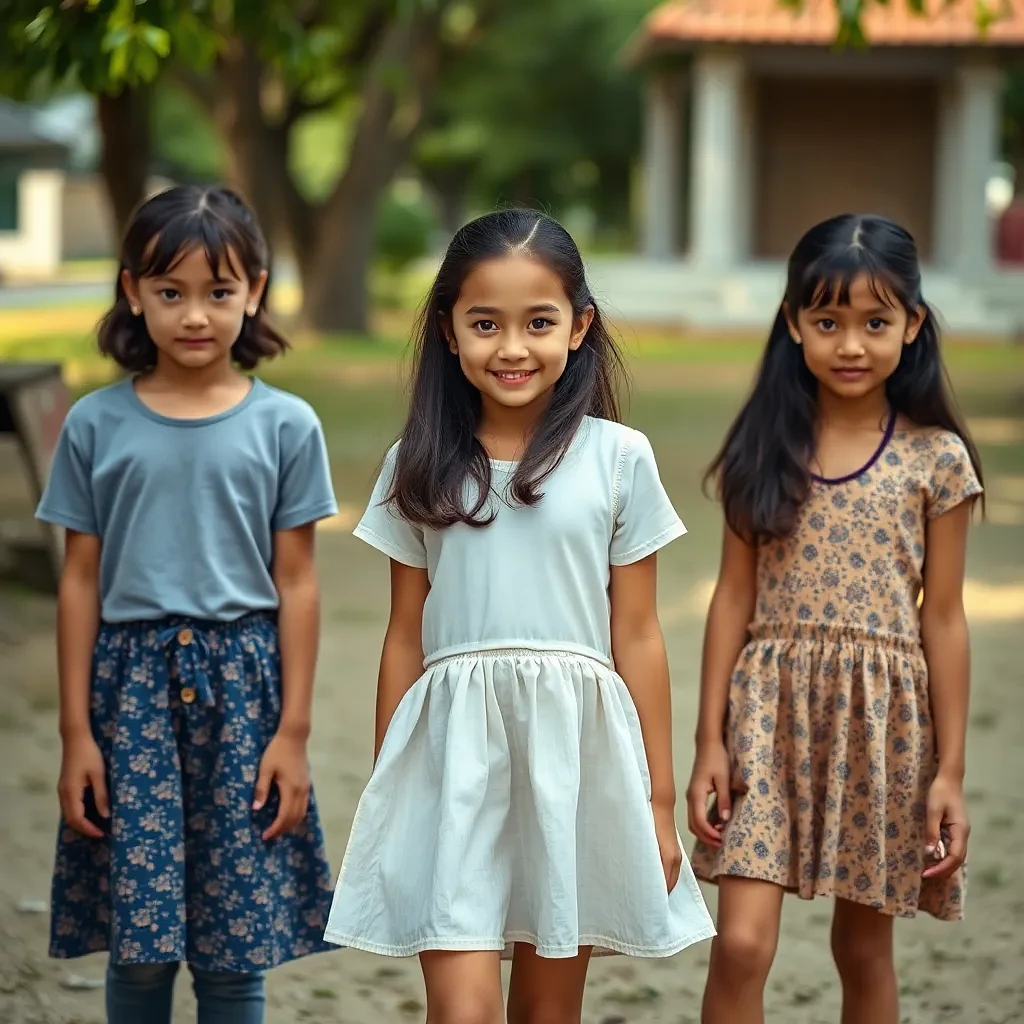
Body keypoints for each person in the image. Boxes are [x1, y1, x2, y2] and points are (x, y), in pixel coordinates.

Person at [324, 209, 715, 1023]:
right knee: (462, 1010)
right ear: (448, 331)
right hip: (452, 755)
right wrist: (392, 785)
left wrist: (656, 799)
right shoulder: (418, 463)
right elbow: (405, 633)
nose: (512, 347)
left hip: (576, 759)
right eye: (485, 324)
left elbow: (637, 632)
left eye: (539, 322)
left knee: (547, 1010)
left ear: (580, 327)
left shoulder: (619, 458)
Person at [35, 185, 338, 1024]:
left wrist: (294, 734)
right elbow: (78, 581)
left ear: (258, 290)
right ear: (132, 290)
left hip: (244, 696)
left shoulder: (288, 427)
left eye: (219, 291)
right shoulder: (95, 425)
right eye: (171, 292)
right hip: (126, 695)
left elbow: (300, 583)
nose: (195, 315)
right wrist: (75, 736)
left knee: (234, 955)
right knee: (140, 951)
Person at [686, 213, 984, 1024]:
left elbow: (947, 621)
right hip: (766, 718)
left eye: (875, 323)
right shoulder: (764, 444)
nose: (850, 344)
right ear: (794, 324)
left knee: (862, 952)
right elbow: (732, 598)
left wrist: (948, 771)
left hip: (881, 723)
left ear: (913, 325)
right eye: (827, 322)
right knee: (741, 944)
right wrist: (709, 739)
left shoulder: (938, 459)